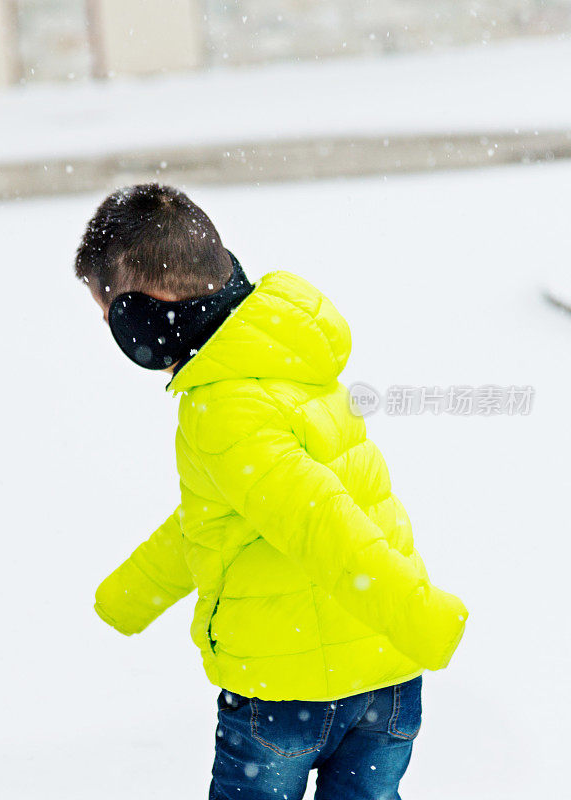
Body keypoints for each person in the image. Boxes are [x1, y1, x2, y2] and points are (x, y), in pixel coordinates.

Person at [74, 183, 467, 799]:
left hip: (289, 691)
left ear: (143, 317)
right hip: (386, 680)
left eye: (110, 319)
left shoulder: (224, 405)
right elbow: (233, 512)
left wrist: (419, 615)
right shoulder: (283, 352)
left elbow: (317, 518)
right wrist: (131, 594)